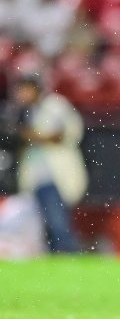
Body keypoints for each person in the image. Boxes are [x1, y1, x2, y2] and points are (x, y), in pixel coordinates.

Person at [13, 75, 88, 253]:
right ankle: (56, 254)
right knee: (44, 222)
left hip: (55, 173)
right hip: (36, 175)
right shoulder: (28, 111)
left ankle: (67, 252)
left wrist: (31, 136)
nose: (22, 95)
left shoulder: (55, 105)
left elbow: (64, 133)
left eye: (25, 90)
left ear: (35, 89)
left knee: (58, 220)